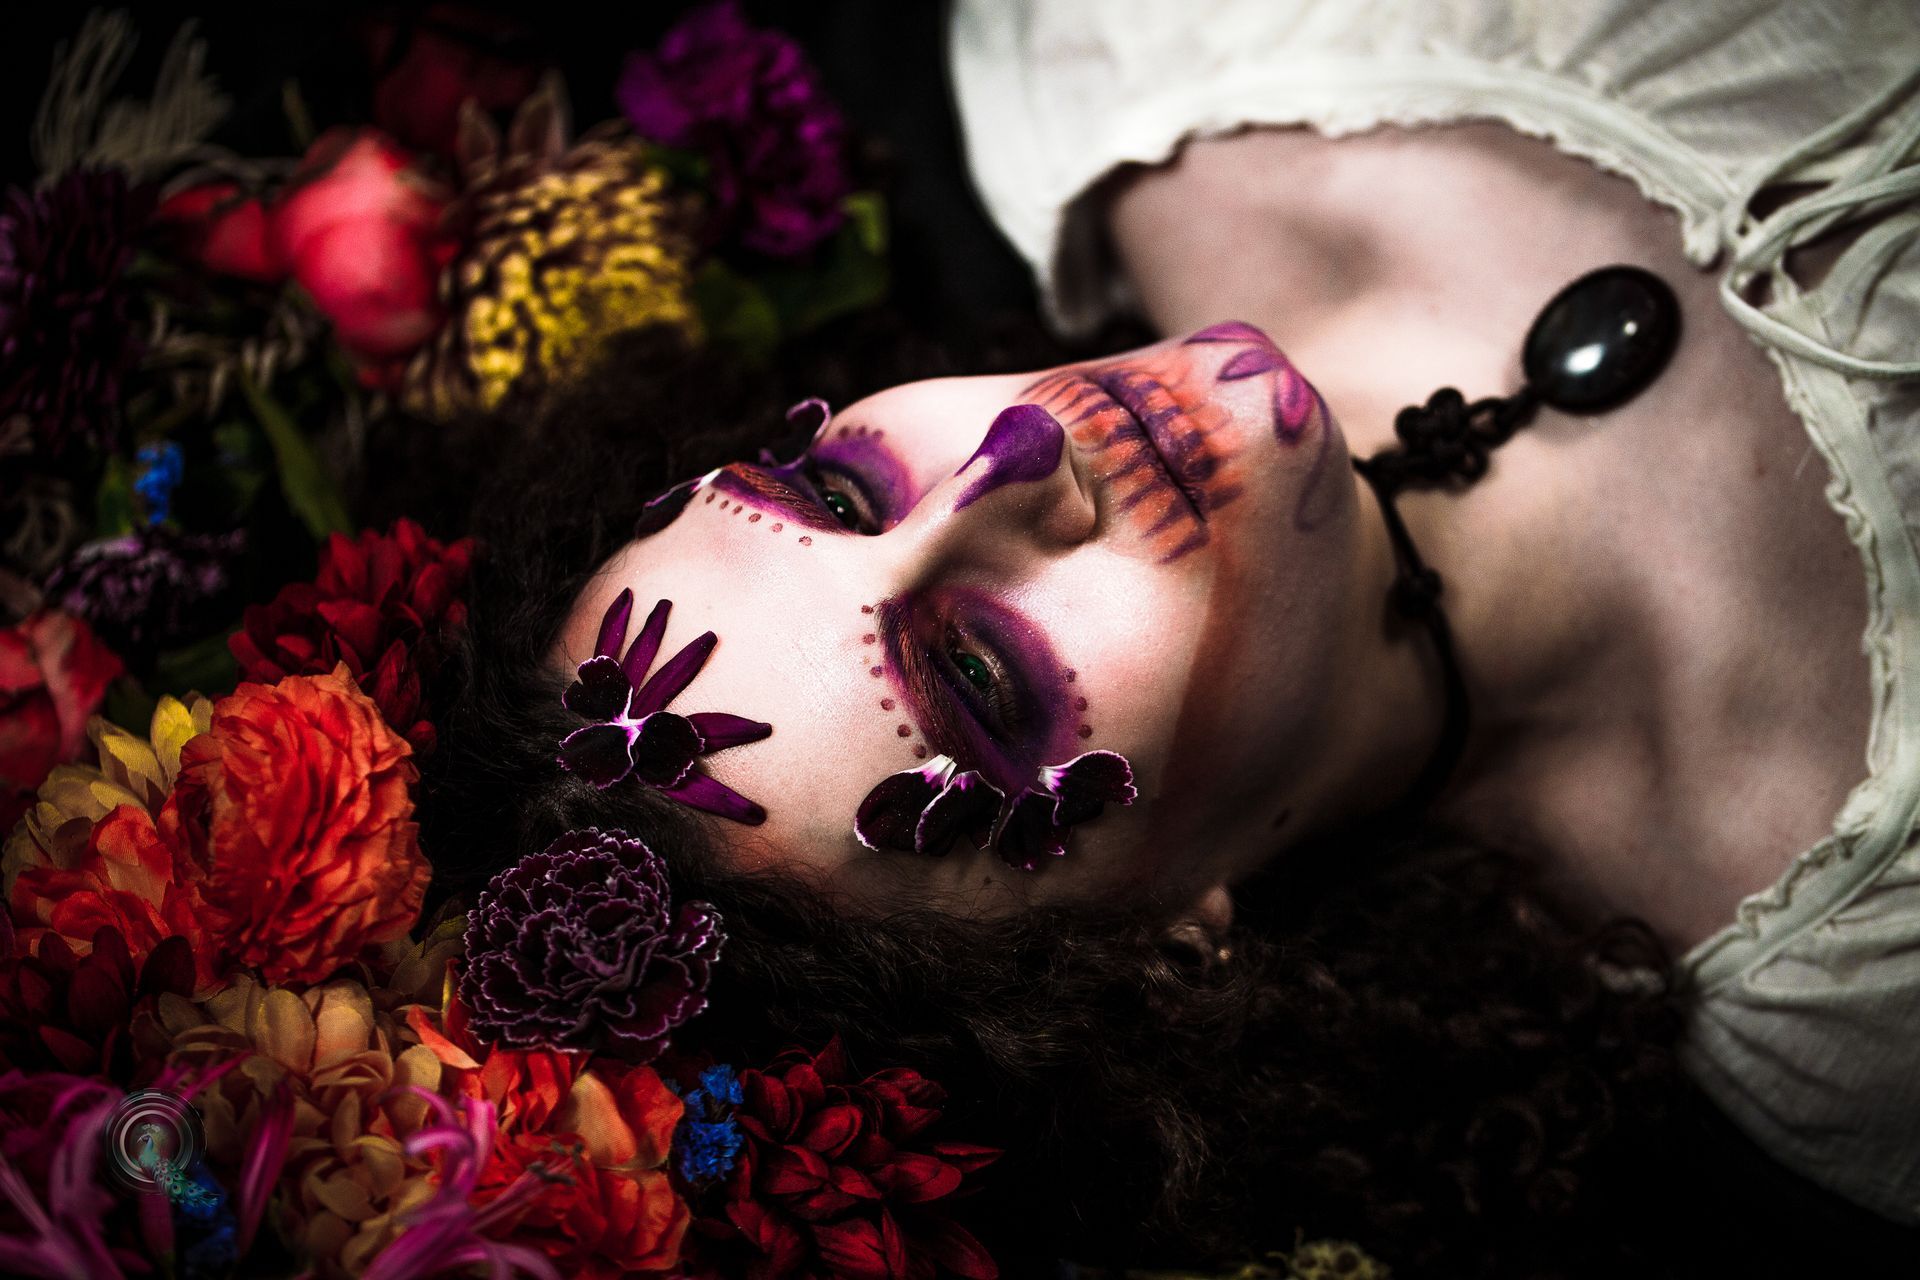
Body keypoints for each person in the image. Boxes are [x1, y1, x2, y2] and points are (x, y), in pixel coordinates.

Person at [414, 0, 1920, 1273]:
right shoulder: (1870, 1011)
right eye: (981, 673)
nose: (1006, 459)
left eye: (837, 484)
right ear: (1150, 956)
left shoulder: (1126, 42)